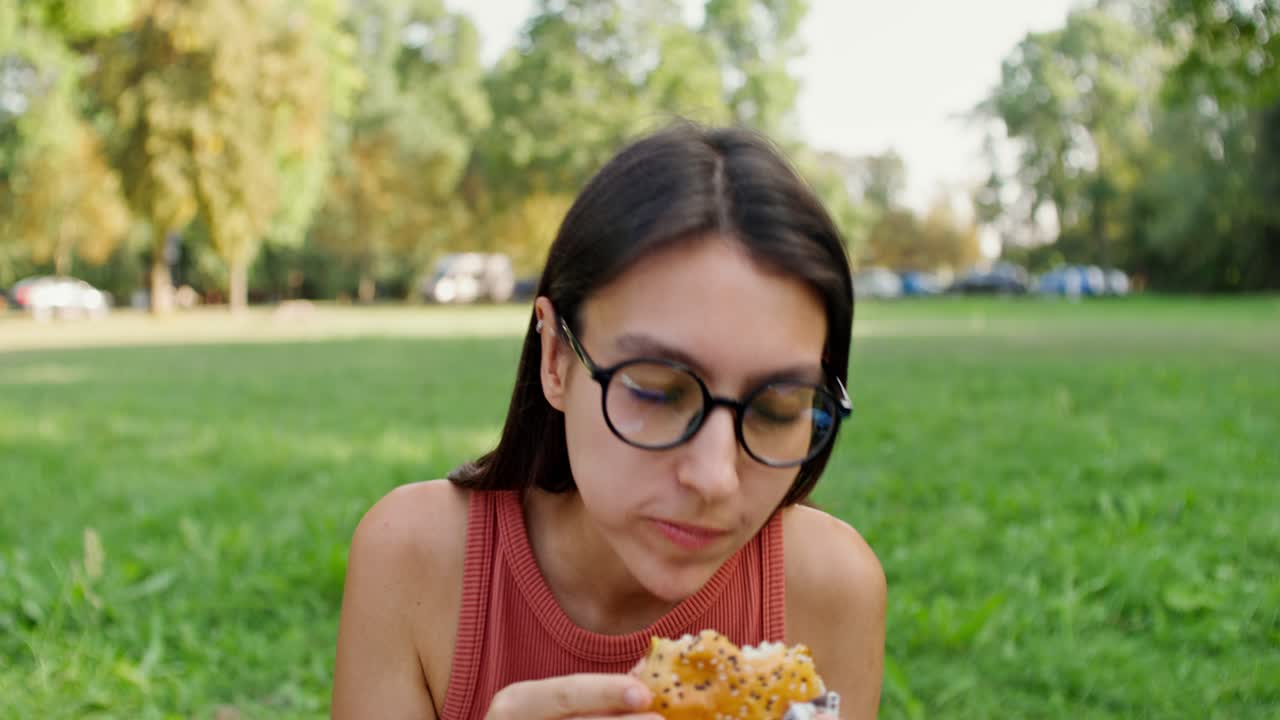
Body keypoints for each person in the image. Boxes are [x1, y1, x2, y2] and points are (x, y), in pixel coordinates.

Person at [331, 122, 886, 720]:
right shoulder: (414, 561)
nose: (715, 477)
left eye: (779, 407)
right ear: (556, 358)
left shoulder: (832, 589)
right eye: (656, 392)